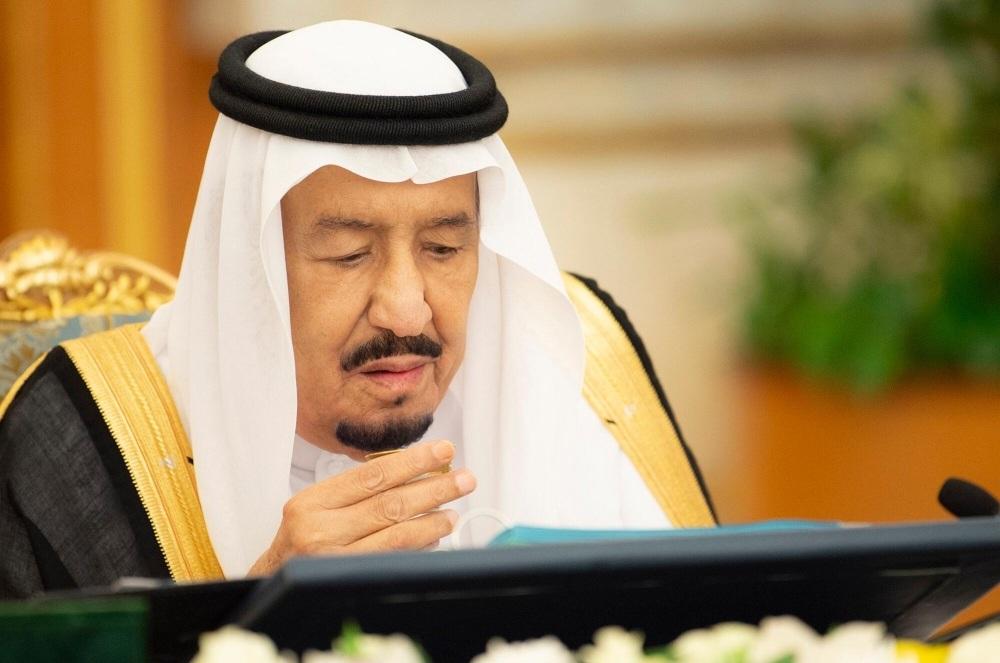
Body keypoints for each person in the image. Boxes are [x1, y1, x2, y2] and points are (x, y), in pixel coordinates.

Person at [0, 20, 713, 599]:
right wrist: (256, 616)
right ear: (249, 268)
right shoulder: (76, 444)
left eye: (443, 249)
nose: (406, 311)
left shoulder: (584, 366)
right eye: (348, 254)